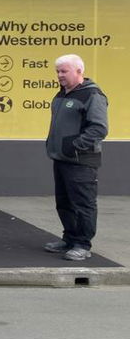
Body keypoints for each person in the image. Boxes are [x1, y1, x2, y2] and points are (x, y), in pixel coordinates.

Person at [44, 54, 108, 261]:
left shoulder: (92, 95)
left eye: (64, 71)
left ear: (79, 71)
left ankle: (82, 244)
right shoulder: (62, 94)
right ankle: (70, 238)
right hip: (61, 159)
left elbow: (99, 128)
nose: (59, 75)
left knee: (83, 204)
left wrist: (74, 147)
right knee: (64, 203)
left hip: (81, 161)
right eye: (58, 71)